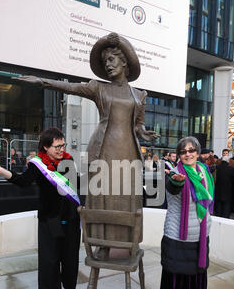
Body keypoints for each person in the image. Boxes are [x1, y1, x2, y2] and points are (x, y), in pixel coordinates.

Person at [16, 32, 158, 259]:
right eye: (105, 62)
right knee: (102, 198)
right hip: (103, 151)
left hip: (129, 152)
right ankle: (102, 242)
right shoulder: (98, 88)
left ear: (124, 62)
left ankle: (127, 240)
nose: (108, 65)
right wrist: (42, 81)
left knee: (124, 198)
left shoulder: (140, 95)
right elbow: (69, 87)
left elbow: (137, 125)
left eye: (111, 60)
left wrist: (144, 133)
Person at [0, 127, 81, 289]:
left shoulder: (68, 161)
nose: (61, 149)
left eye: (63, 145)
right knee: (49, 264)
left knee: (70, 259)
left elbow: (75, 187)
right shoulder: (37, 165)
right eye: (57, 146)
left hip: (71, 220)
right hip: (50, 221)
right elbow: (22, 181)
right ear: (46, 147)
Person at [158, 136, 214, 289]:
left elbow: (208, 200)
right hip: (178, 236)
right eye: (183, 151)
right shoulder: (176, 173)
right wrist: (175, 181)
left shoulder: (204, 171)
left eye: (191, 150)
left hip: (199, 234)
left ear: (198, 153)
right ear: (179, 155)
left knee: (195, 278)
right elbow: (173, 187)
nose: (188, 154)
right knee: (179, 280)